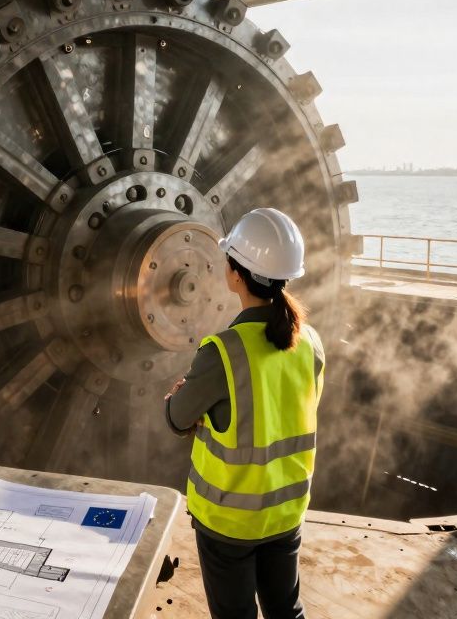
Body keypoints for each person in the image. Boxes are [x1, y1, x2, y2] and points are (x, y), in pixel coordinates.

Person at [164, 207, 324, 619]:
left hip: (229, 522)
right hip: (286, 511)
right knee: (286, 610)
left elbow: (178, 418)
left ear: (235, 274)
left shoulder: (222, 354)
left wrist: (183, 399)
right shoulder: (310, 343)